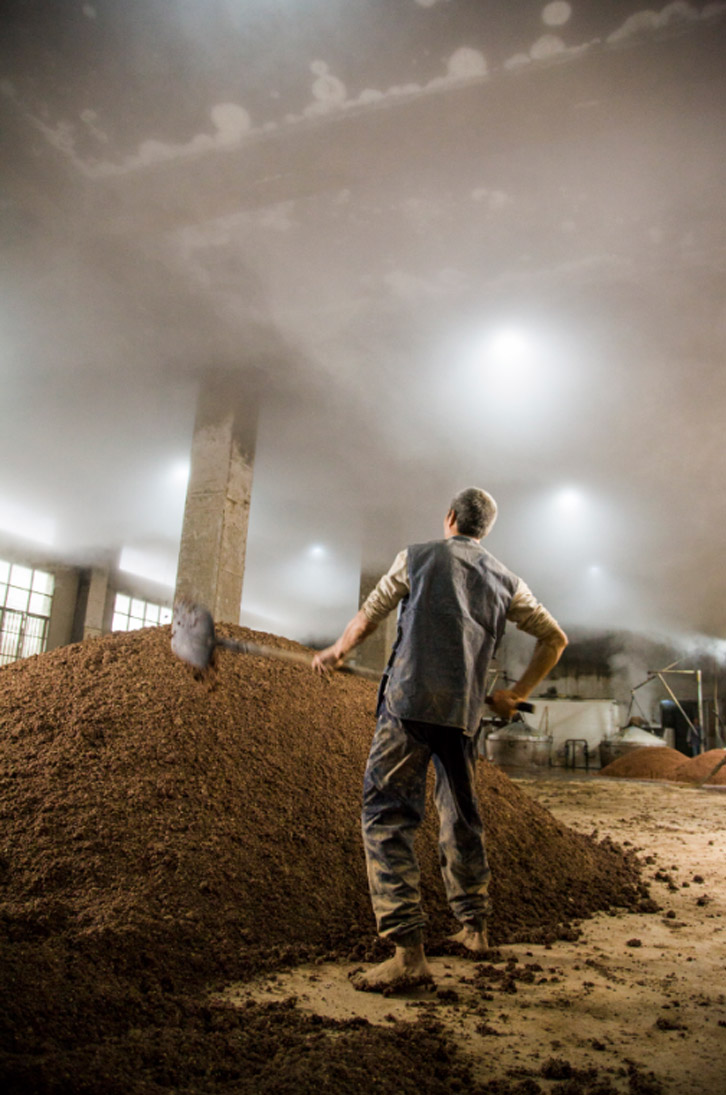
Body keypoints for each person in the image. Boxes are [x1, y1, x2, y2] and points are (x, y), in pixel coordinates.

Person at [312, 487, 567, 991]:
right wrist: (515, 693)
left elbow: (370, 615)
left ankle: (408, 953)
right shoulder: (507, 580)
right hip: (463, 716)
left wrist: (337, 652)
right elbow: (555, 638)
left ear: (450, 517)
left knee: (387, 815)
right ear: (484, 529)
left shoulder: (416, 558)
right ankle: (474, 928)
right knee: (462, 816)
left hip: (407, 710)